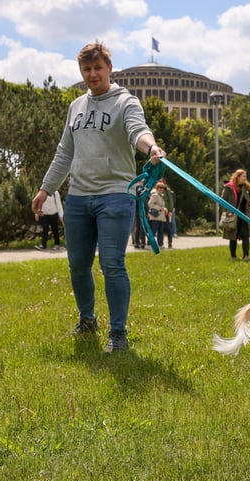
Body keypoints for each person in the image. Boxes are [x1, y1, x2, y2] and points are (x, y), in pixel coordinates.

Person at [31, 42, 165, 353]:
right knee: (77, 265)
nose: (92, 74)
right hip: (79, 197)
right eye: (86, 69)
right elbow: (65, 152)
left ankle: (118, 333)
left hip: (115, 195)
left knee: (112, 264)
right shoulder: (76, 106)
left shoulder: (126, 102)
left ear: (110, 69)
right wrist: (46, 188)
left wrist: (151, 148)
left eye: (98, 68)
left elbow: (138, 131)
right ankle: (87, 319)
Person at [222, 169, 250, 260]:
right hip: (232, 216)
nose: (245, 178)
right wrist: (227, 212)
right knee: (233, 236)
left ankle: (246, 256)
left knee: (245, 235)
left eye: (246, 176)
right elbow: (222, 201)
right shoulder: (228, 188)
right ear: (238, 177)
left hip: (244, 215)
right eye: (243, 176)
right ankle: (233, 256)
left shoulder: (247, 187)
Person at [147, 179, 168, 248]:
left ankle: (160, 244)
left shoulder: (161, 195)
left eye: (163, 188)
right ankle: (149, 244)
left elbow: (161, 205)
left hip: (161, 217)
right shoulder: (155, 195)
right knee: (153, 231)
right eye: (160, 188)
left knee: (161, 231)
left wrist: (165, 209)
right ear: (157, 188)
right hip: (155, 216)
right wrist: (159, 208)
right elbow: (150, 204)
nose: (162, 189)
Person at [162, 181, 176, 248]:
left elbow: (171, 201)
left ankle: (170, 242)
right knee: (160, 228)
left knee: (168, 227)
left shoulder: (168, 191)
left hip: (166, 212)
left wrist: (170, 211)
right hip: (159, 212)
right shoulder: (156, 190)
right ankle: (160, 243)